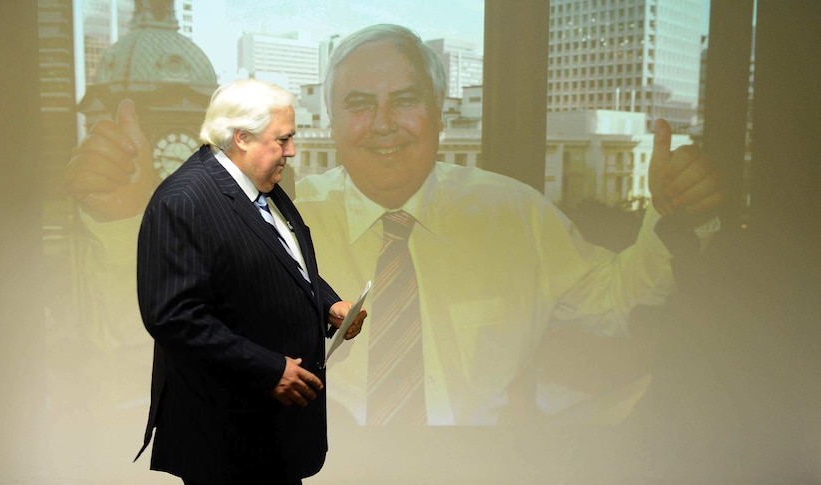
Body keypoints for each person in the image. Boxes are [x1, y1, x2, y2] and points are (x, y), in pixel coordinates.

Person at [293, 24, 724, 426]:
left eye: (406, 100)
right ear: (330, 122)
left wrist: (673, 215)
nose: (384, 124)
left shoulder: (515, 214)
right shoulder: (281, 224)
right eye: (359, 104)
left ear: (441, 115)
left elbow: (620, 299)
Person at [134, 78, 366, 484]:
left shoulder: (263, 185)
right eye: (283, 140)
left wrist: (328, 304)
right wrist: (268, 369)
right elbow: (173, 317)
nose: (291, 151)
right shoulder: (183, 200)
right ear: (242, 137)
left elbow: (280, 259)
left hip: (274, 436)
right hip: (227, 439)